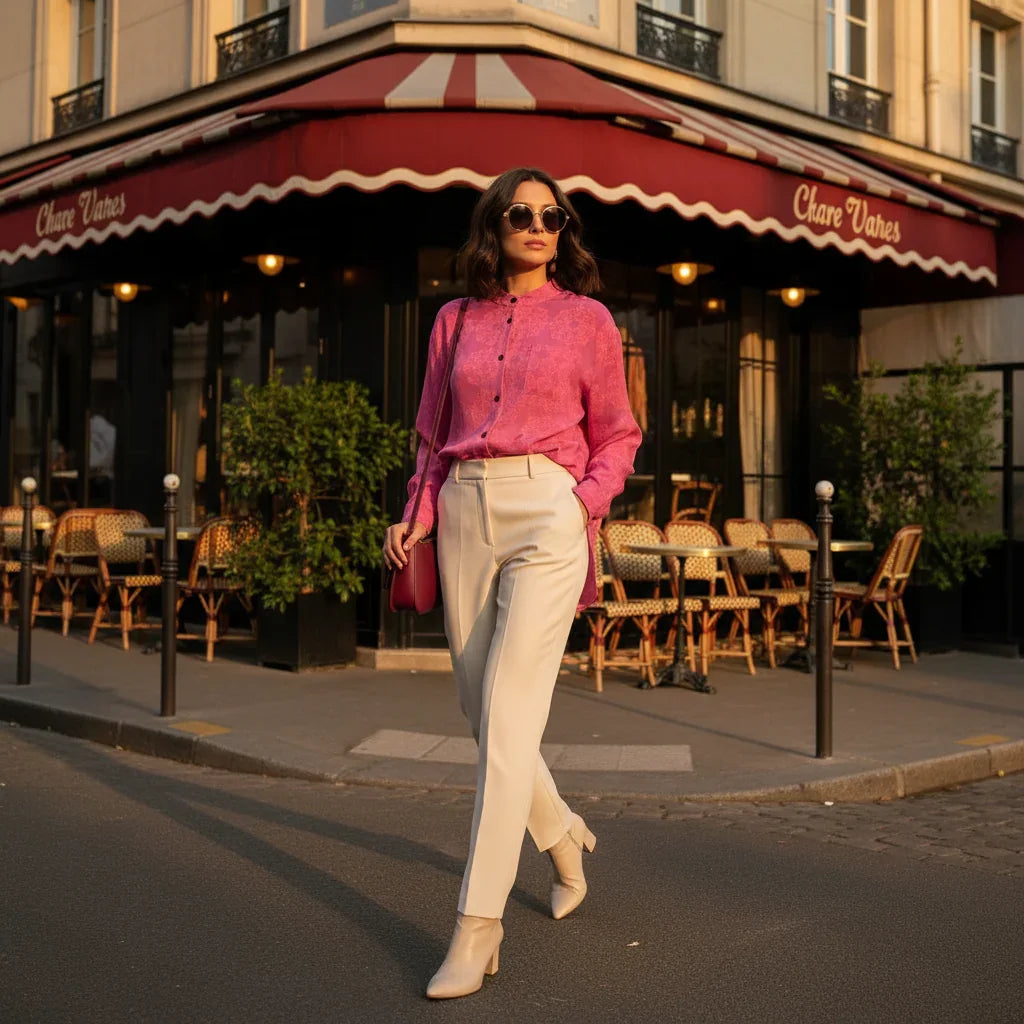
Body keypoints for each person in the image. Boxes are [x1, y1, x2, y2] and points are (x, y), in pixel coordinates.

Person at [382, 167, 642, 1000]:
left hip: (549, 511)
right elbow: (431, 437)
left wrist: (581, 504)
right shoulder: (452, 322)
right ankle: (563, 837)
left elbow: (619, 433)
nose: (539, 226)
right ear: (492, 227)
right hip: (462, 509)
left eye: (553, 216)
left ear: (564, 230)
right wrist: (415, 511)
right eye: (522, 214)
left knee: (508, 714)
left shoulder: (588, 319)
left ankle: (476, 926)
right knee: (480, 707)